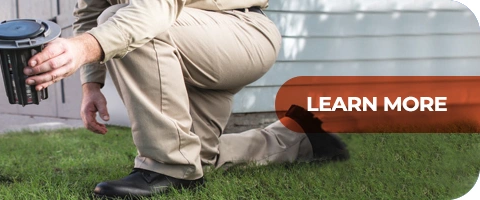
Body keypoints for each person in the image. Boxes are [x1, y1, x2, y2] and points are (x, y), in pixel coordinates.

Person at [21, 0, 350, 198]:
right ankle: (299, 136)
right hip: (184, 40)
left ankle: (168, 164)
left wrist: (83, 48)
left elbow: (152, 10)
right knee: (198, 157)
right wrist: (91, 85)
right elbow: (90, 11)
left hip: (240, 30)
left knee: (120, 21)